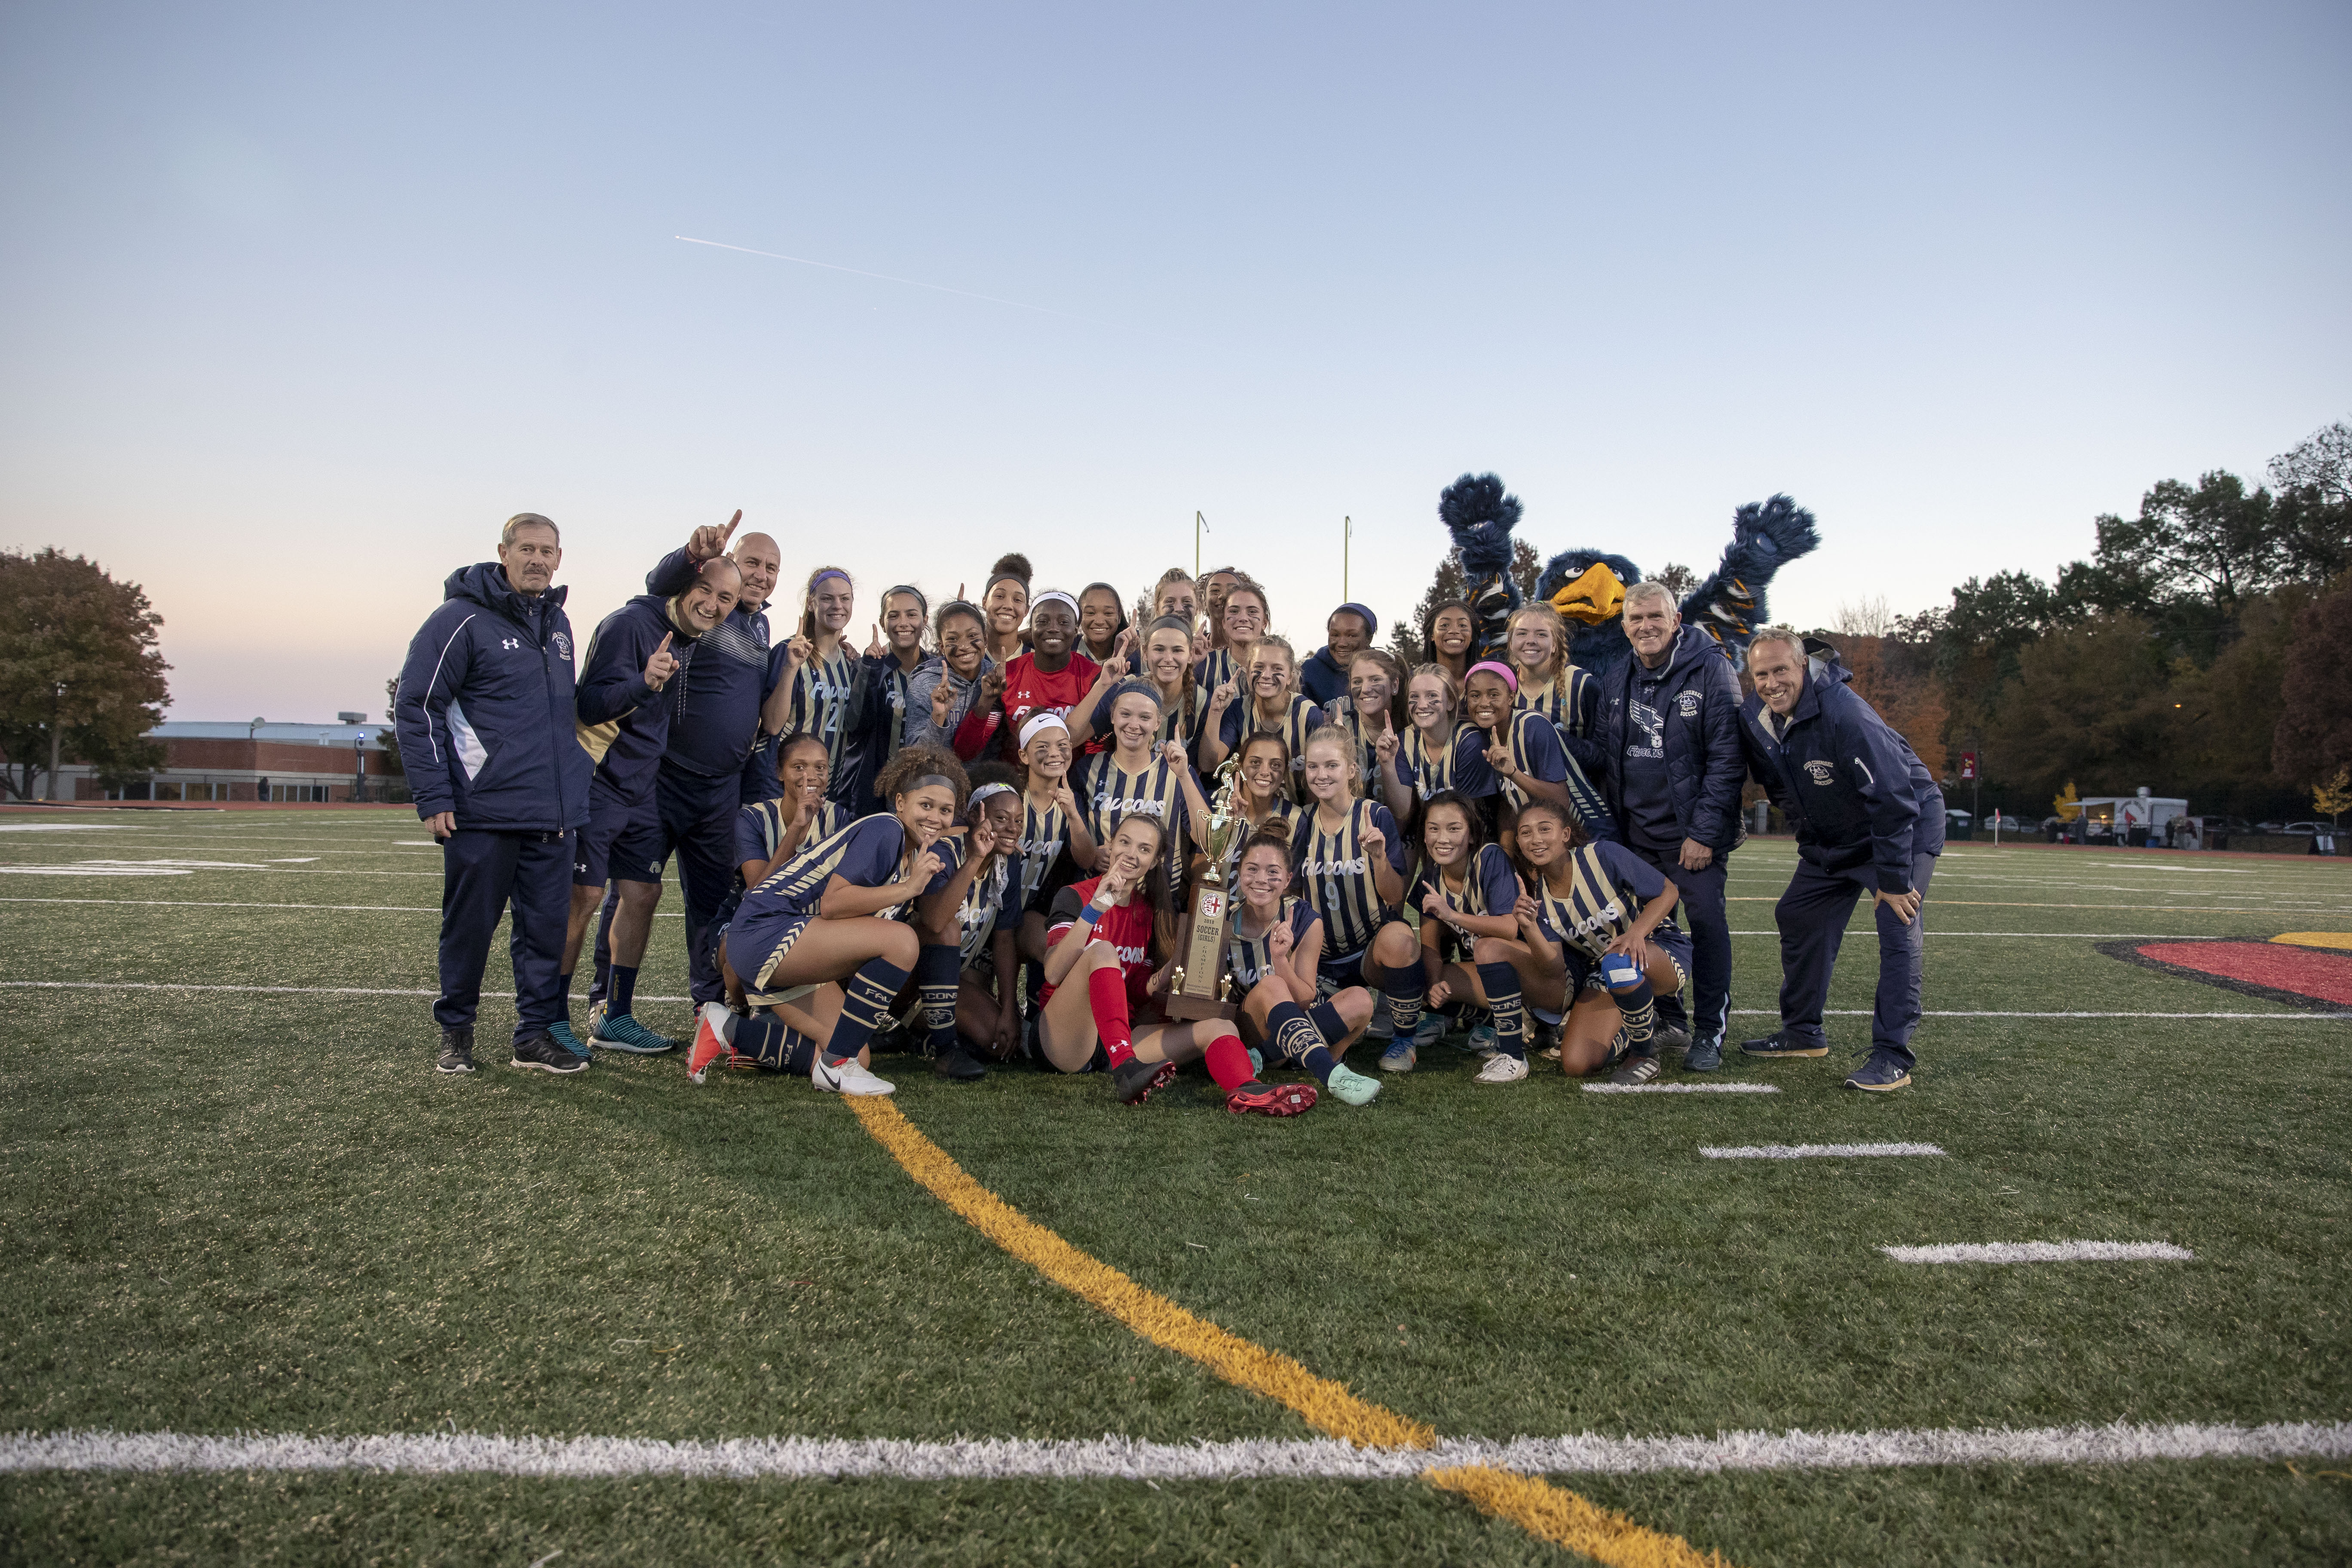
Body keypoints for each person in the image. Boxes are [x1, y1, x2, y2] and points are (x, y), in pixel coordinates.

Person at [395, 512, 592, 1076]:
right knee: (470, 929)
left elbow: (560, 720)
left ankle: (533, 1036)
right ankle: (455, 1035)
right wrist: (434, 796)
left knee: (544, 932)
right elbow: (416, 704)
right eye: (526, 548)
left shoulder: (558, 625)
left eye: (547, 551)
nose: (537, 559)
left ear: (559, 558)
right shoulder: (459, 618)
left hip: (550, 814)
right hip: (483, 812)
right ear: (502, 553)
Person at [692, 744, 970, 1096]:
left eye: (946, 811)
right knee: (901, 940)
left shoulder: (910, 851)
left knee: (859, 1054)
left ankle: (726, 1027)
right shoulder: (887, 829)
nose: (935, 818)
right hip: (765, 930)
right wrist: (908, 889)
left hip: (786, 944)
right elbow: (834, 904)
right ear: (900, 803)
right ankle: (837, 1064)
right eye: (926, 805)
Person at [1737, 628, 1943, 1092]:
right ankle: (1803, 1031)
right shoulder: (1756, 715)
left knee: (1897, 923)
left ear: (1803, 666)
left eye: (1781, 671)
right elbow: (1782, 784)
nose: (1772, 683)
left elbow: (1893, 797)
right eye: (1761, 674)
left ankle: (1892, 1056)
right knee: (1798, 913)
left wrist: (1892, 879)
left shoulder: (1846, 714)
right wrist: (1812, 835)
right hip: (1835, 835)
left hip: (1900, 827)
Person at [610, 512, 793, 1032]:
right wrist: (692, 553)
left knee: (711, 903)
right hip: (664, 777)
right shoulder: (702, 601)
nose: (761, 574)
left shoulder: (759, 624)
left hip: (721, 789)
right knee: (634, 893)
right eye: (752, 562)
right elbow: (659, 584)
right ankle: (613, 1006)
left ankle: (707, 1007)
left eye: (772, 568)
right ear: (730, 564)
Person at [566, 551, 739, 1055]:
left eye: (725, 598)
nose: (712, 604)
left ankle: (616, 1016)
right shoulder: (628, 624)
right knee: (583, 899)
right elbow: (589, 704)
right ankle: (547, 1018)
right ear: (684, 583)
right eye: (705, 590)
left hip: (644, 788)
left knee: (642, 895)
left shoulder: (690, 639)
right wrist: (643, 684)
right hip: (599, 782)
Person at [1035, 812, 1314, 1115]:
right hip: (1065, 1039)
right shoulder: (1077, 896)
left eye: (1144, 849)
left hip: (1122, 1041)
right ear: (1111, 844)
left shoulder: (1147, 911)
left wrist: (1173, 969)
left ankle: (1246, 1089)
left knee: (1219, 1025)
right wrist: (1094, 911)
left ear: (1155, 861)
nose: (1131, 854)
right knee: (1103, 951)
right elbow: (1053, 972)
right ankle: (1126, 1069)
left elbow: (1138, 992)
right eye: (1125, 843)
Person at [1587, 580, 1746, 1068]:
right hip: (1635, 834)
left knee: (1706, 925)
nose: (1646, 626)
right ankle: (1670, 1018)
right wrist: (1545, 742)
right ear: (1625, 626)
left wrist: (1702, 832)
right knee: (1649, 929)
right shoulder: (1617, 677)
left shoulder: (1712, 670)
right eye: (1636, 619)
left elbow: (1727, 759)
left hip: (1690, 836)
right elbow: (1600, 753)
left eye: (1656, 617)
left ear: (1676, 621)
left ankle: (1709, 1030)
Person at [1509, 799, 1691, 1085]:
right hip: (1606, 972)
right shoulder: (1538, 899)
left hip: (1659, 949)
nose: (1536, 839)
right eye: (1526, 833)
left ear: (1565, 834)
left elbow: (1668, 892)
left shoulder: (1603, 855)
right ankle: (1637, 1027)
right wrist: (1530, 928)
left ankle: (1645, 1056)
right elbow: (1554, 968)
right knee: (1576, 1064)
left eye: (1545, 829)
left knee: (1619, 961)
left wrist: (1636, 933)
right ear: (1518, 841)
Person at [1364, 790, 1533, 1079]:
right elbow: (1429, 946)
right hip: (1488, 972)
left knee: (1488, 949)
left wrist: (1452, 915)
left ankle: (1518, 1038)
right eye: (1434, 829)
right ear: (1424, 836)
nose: (1443, 838)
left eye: (1454, 829)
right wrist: (1435, 983)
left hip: (1528, 973)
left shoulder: (1489, 857)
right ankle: (1488, 1021)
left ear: (1471, 835)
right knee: (1413, 981)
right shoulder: (1431, 875)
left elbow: (1510, 928)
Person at [1224, 825, 1381, 1105]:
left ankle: (1269, 1056)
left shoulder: (1305, 918)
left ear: (1287, 880)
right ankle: (1330, 1073)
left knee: (1361, 999)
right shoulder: (1224, 919)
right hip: (1249, 1032)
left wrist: (1280, 960)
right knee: (1271, 985)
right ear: (1239, 874)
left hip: (1287, 1032)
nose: (1262, 879)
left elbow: (1305, 998)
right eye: (1252, 870)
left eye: (1273, 872)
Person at [916, 763, 1026, 1081]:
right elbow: (936, 922)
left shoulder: (1009, 863)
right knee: (948, 927)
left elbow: (1005, 939)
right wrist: (976, 857)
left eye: (1018, 821)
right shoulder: (946, 850)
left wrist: (1010, 1010)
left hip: (955, 979)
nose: (1012, 829)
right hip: (913, 974)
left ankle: (920, 1036)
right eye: (1001, 819)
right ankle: (929, 1036)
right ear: (977, 815)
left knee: (999, 1042)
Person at [1289, 727, 1408, 1007]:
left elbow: (1394, 897)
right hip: (1321, 959)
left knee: (1401, 941)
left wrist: (1379, 857)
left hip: (1370, 950)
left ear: (1352, 770)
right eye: (1313, 767)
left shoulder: (1376, 815)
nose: (1322, 775)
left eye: (1332, 765)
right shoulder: (1301, 823)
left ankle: (1404, 1038)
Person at [1004, 712, 1098, 1047]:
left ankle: (1046, 1024)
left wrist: (1073, 814)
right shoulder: (1010, 796)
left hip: (1029, 914)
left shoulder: (1070, 800)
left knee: (1063, 956)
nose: (1055, 753)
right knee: (988, 1034)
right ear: (1024, 755)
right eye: (1042, 746)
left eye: (1063, 745)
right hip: (988, 915)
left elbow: (1086, 858)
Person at [1073, 681, 1213, 893]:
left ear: (1158, 722)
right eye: (1126, 714)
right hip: (1100, 894)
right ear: (1112, 716)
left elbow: (1206, 842)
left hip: (1159, 900)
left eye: (1145, 717)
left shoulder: (1176, 769)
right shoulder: (1088, 768)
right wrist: (1092, 853)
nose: (1133, 724)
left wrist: (1184, 776)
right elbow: (1077, 842)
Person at [1460, 661, 1601, 850]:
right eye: (1475, 696)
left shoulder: (1533, 726)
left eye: (1494, 695)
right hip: (1546, 839)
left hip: (1588, 833)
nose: (1484, 703)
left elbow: (1560, 800)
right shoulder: (1483, 736)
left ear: (1511, 697)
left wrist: (1513, 774)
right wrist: (1507, 858)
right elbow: (1508, 803)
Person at [973, 589, 1100, 764]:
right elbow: (971, 748)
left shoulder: (1094, 677)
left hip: (1074, 784)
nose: (1053, 628)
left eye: (1064, 622)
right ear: (1031, 629)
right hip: (1016, 781)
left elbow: (1099, 743)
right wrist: (986, 701)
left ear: (1076, 630)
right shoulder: (1007, 674)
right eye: (1043, 621)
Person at [777, 567, 864, 808]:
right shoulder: (789, 652)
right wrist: (790, 668)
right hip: (785, 784)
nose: (838, 605)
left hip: (829, 786)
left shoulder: (850, 663)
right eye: (827, 598)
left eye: (845, 598)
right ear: (811, 603)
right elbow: (772, 724)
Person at [842, 584, 932, 809]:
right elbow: (855, 725)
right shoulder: (870, 667)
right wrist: (869, 671)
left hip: (922, 791)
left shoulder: (937, 671)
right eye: (894, 616)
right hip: (872, 792)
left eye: (912, 615)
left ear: (925, 620)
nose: (903, 623)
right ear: (883, 623)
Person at [1068, 614, 1205, 758]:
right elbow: (1069, 739)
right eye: (1159, 649)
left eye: (1177, 650)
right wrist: (1102, 685)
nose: (1168, 659)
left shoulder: (1202, 700)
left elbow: (1206, 765)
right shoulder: (1125, 688)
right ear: (1145, 652)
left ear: (1191, 654)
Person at [1204, 634, 1323, 796]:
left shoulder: (1308, 714)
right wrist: (1216, 712)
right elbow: (1208, 764)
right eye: (1259, 667)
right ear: (1248, 673)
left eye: (1277, 669)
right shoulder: (1239, 710)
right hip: (1251, 809)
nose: (1266, 675)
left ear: (1290, 677)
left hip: (1298, 812)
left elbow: (1319, 777)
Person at [1389, 664, 1494, 827]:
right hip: (1429, 833)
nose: (1422, 705)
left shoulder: (1470, 741)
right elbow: (1403, 813)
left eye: (1432, 695)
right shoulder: (1404, 741)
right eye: (1415, 697)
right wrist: (1386, 763)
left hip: (1472, 833)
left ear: (1451, 702)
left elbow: (1469, 818)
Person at [905, 600, 999, 758]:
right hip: (939, 781)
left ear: (986, 640)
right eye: (953, 639)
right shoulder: (923, 685)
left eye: (972, 636)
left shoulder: (997, 680)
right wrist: (938, 717)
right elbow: (914, 758)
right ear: (942, 647)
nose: (963, 646)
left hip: (987, 780)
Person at [1507, 602, 1597, 749]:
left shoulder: (1581, 683)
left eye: (1541, 634)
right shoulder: (1502, 682)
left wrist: (1551, 733)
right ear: (1511, 643)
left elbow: (1601, 754)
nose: (1531, 641)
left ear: (1555, 645)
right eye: (1522, 633)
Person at [1319, 648, 1406, 785]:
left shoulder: (1409, 730)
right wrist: (1335, 744)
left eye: (1375, 680)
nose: (1365, 689)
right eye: (1358, 682)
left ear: (1395, 685)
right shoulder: (1341, 729)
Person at [1221, 732, 1297, 878]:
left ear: (1285, 772)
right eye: (1255, 762)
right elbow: (1199, 874)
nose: (1264, 772)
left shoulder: (1296, 818)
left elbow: (1292, 887)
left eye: (1275, 765)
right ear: (1240, 766)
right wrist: (1228, 829)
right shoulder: (1219, 804)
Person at [1197, 578, 1267, 699]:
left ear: (1264, 623)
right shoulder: (1206, 665)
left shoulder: (1280, 664)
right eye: (1234, 611)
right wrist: (1188, 667)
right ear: (1224, 622)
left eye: (1252, 612)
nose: (1243, 618)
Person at [1300, 603, 1378, 706]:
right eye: (1335, 635)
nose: (1342, 643)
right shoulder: (1309, 671)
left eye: (1352, 636)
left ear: (1369, 639)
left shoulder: (1383, 669)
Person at [978, 555, 1032, 668]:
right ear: (984, 602)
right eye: (1000, 596)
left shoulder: (1038, 661)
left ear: (1026, 610)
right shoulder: (967, 658)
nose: (1008, 606)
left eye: (1018, 600)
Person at [1422, 599, 1476, 688]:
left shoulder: (1487, 683)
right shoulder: (1415, 683)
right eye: (1444, 625)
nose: (1454, 631)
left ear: (1472, 636)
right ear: (1432, 634)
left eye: (1462, 625)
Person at [1076, 582, 1128, 667]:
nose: (1099, 622)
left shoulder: (1139, 651)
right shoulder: (1067, 650)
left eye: (1108, 613)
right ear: (1079, 616)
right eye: (1090, 613)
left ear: (1119, 617)